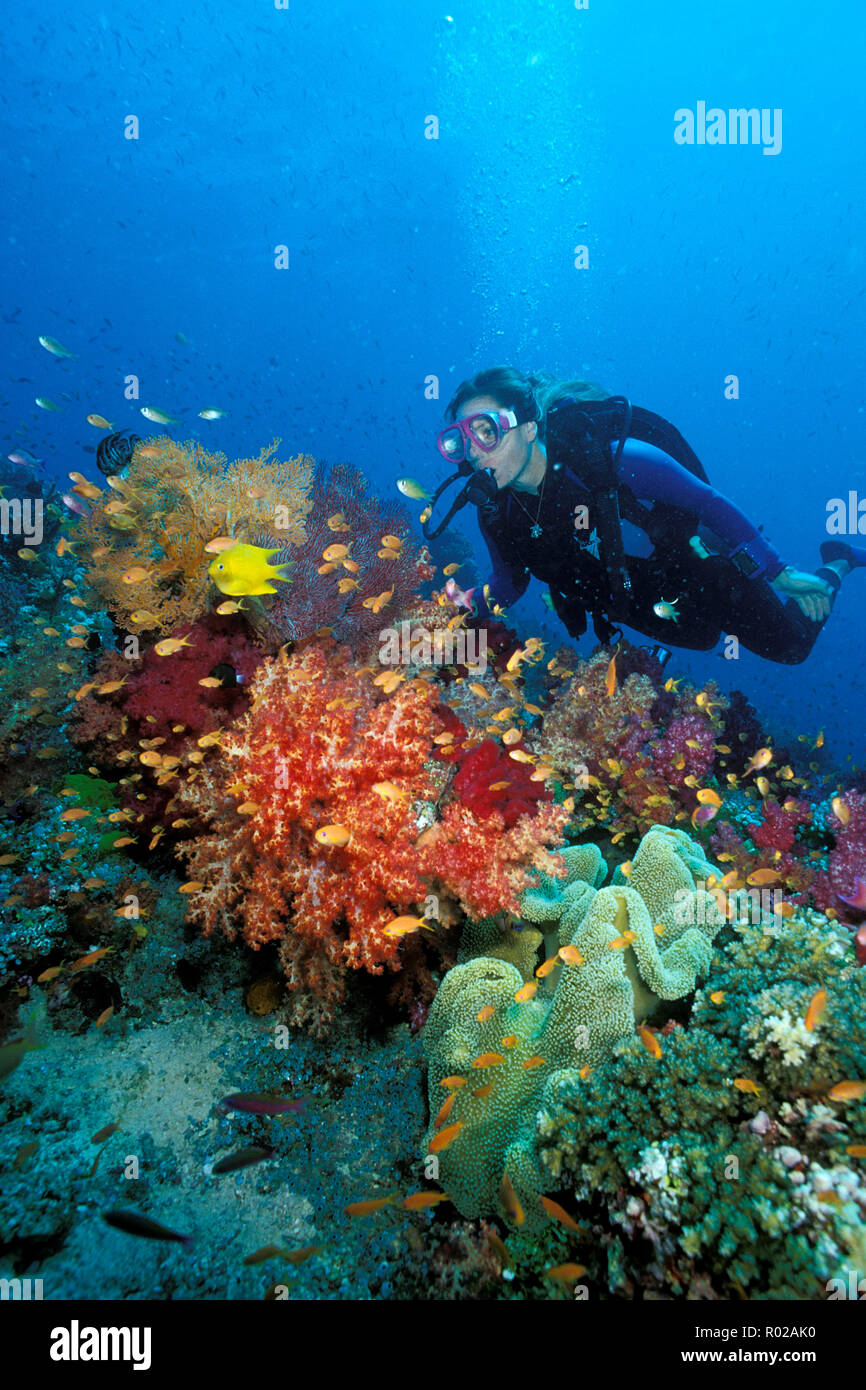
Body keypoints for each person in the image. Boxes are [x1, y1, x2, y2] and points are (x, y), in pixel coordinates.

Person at [433, 366, 862, 663]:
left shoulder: (606, 462)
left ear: (528, 427)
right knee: (700, 637)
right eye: (461, 441)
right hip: (635, 597)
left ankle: (836, 562)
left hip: (696, 565)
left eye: (486, 431)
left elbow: (706, 502)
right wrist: (475, 602)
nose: (474, 452)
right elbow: (510, 579)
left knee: (790, 648)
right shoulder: (496, 510)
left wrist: (778, 571)